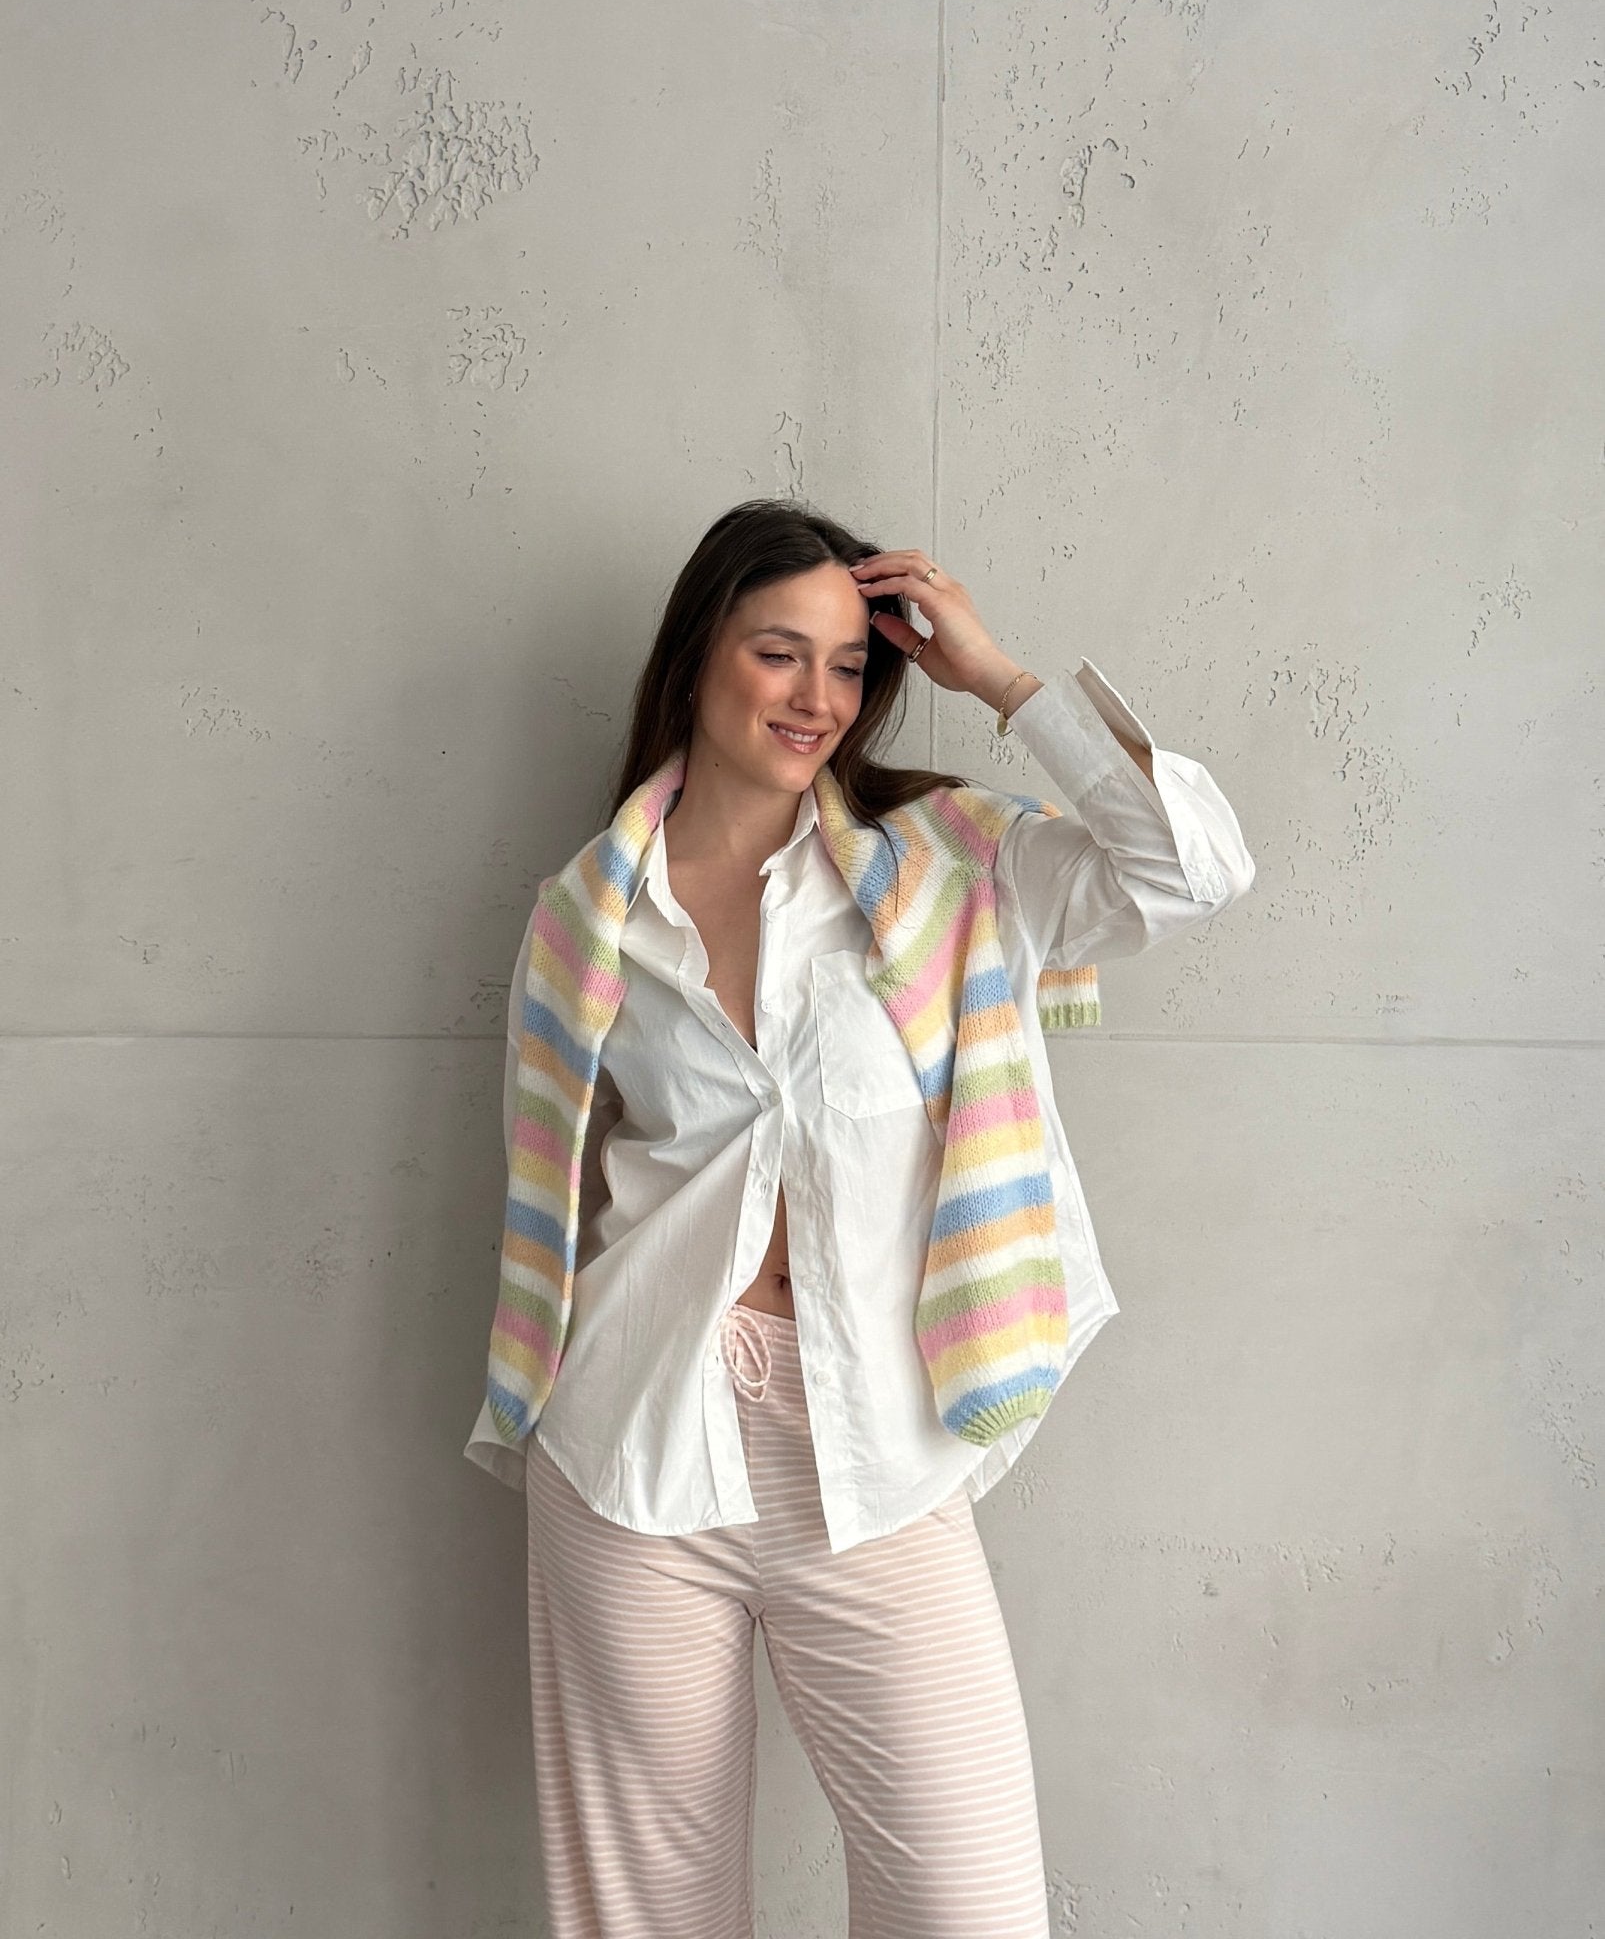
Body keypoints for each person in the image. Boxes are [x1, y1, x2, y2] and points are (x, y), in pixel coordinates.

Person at [465, 498, 1256, 1938]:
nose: (817, 698)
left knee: (969, 1908)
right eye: (779, 653)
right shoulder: (585, 914)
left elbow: (1188, 870)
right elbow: (558, 1188)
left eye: (847, 665)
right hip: (636, 1447)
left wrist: (999, 678)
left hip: (874, 1451)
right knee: (649, 1918)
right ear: (698, 654)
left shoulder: (949, 863)